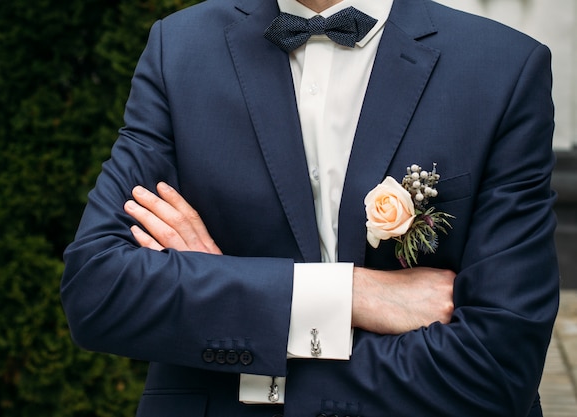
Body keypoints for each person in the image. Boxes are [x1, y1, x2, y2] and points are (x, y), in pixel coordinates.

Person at [60, 0, 559, 415]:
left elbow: (499, 363)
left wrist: (226, 298)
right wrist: (352, 295)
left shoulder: (502, 68)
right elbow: (98, 290)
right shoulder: (178, 49)